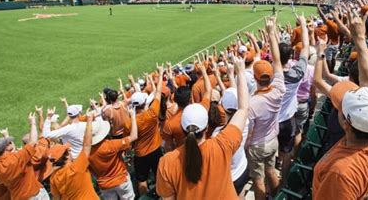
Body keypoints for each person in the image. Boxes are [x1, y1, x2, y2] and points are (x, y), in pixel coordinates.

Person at [312, 7, 368, 198]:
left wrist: (358, 39)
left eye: (342, 107)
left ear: (346, 125)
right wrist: (359, 39)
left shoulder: (341, 173)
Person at [156, 53, 249, 199]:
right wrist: (241, 73)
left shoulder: (167, 163)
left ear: (182, 128)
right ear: (206, 128)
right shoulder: (222, 145)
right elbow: (243, 109)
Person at [246, 16, 286, 199]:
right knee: (271, 170)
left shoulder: (252, 103)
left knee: (258, 180)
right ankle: (276, 196)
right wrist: (271, 33)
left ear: (254, 78)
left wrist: (247, 145)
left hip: (257, 145)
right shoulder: (279, 88)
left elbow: (251, 130)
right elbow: (277, 61)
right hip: (272, 140)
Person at [277, 15, 310, 184]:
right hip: (287, 121)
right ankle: (283, 182)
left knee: (273, 155)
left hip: (271, 121)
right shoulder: (296, 74)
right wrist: (304, 25)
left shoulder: (269, 76)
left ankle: (271, 186)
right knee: (287, 154)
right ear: (290, 57)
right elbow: (305, 48)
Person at [123, 64, 165, 196]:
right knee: (160, 175)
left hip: (141, 154)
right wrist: (161, 72)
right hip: (156, 149)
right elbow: (158, 93)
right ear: (144, 103)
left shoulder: (128, 123)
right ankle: (162, 194)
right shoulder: (152, 113)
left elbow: (129, 144)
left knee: (142, 180)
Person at [0, 113, 49, 199]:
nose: (10, 143)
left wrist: (6, 135)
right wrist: (32, 123)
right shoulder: (18, 157)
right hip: (35, 195)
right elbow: (33, 141)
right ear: (6, 147)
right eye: (9, 142)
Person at [49, 111, 104, 200]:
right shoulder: (77, 167)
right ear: (66, 156)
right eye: (68, 150)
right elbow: (86, 145)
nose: (70, 149)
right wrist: (89, 122)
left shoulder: (53, 177)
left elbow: (56, 198)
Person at [88, 104, 138, 199]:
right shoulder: (110, 145)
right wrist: (133, 117)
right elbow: (134, 136)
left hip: (105, 185)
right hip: (121, 179)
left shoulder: (87, 152)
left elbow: (92, 171)